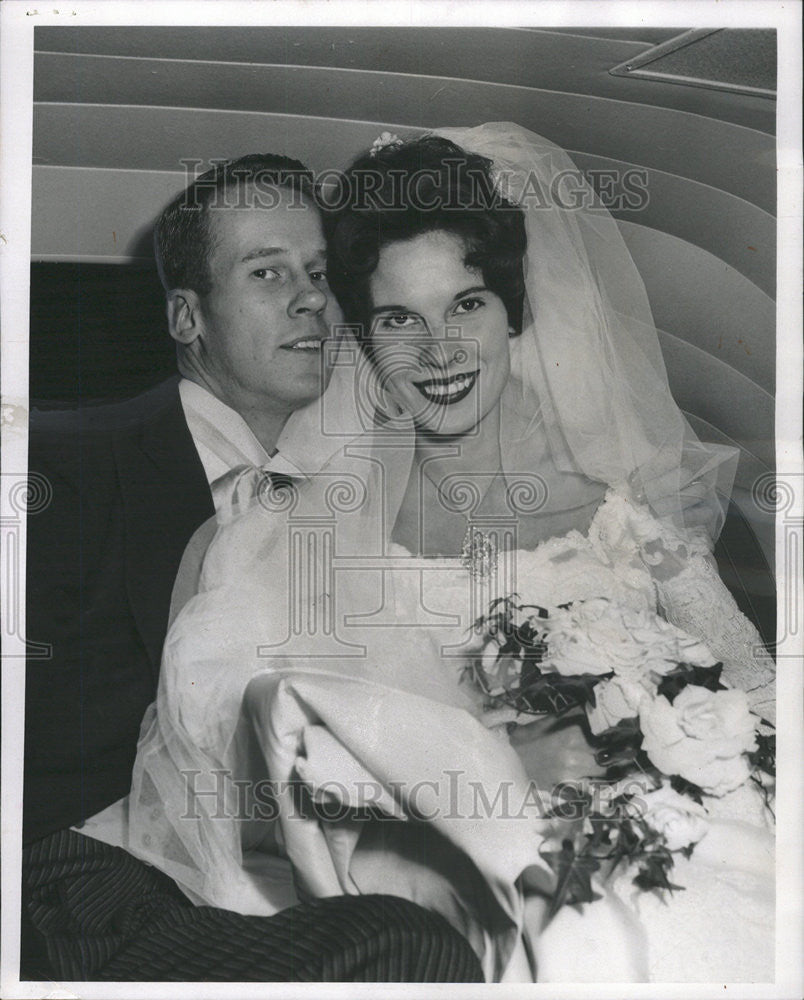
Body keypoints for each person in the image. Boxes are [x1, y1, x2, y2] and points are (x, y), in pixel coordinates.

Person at [123, 125, 776, 981]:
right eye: (398, 318)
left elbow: (760, 697)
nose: (438, 353)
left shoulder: (628, 522)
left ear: (516, 313)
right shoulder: (308, 536)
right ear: (361, 337)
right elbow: (242, 792)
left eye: (466, 305)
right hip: (458, 889)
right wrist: (489, 768)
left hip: (691, 834)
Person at [21, 152, 484, 983]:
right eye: (267, 271)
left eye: (318, 271)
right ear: (186, 319)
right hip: (73, 881)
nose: (312, 295)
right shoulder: (59, 461)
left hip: (263, 874)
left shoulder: (330, 508)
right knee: (411, 948)